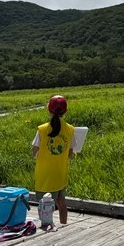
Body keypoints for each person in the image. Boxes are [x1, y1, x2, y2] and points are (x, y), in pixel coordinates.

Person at [32, 95, 76, 226]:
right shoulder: (70, 129)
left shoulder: (42, 129)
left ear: (48, 109)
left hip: (44, 175)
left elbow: (34, 152)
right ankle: (63, 225)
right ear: (66, 111)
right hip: (60, 174)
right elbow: (70, 153)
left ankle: (46, 227)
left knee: (44, 205)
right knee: (61, 202)